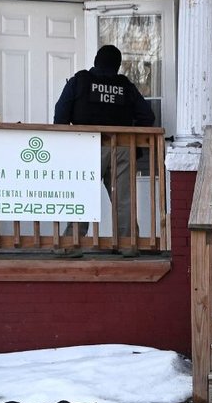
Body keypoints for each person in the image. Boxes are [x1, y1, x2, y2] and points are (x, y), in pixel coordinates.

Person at [52, 44, 155, 257]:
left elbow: (61, 113)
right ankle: (128, 244)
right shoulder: (125, 85)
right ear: (117, 65)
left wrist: (66, 142)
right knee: (124, 198)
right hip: (123, 146)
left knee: (81, 195)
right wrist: (133, 137)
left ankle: (72, 244)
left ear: (96, 61)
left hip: (86, 145)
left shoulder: (80, 80)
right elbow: (147, 116)